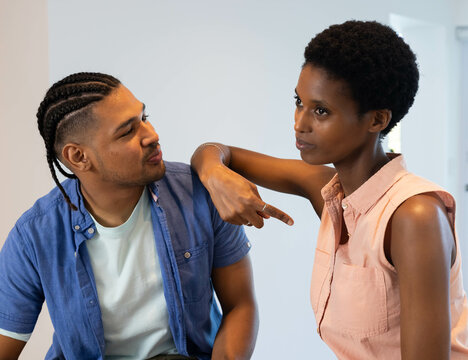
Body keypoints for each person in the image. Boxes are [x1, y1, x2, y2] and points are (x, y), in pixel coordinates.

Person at [191, 20, 468, 359]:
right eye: (299, 102)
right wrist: (217, 177)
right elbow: (215, 152)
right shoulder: (331, 192)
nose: (299, 123)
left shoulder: (414, 216)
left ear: (377, 120)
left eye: (321, 111)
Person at [0, 72, 258, 360]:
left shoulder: (200, 195)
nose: (152, 134)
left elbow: (240, 304)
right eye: (127, 132)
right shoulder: (34, 236)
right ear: (79, 157)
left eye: (144, 117)